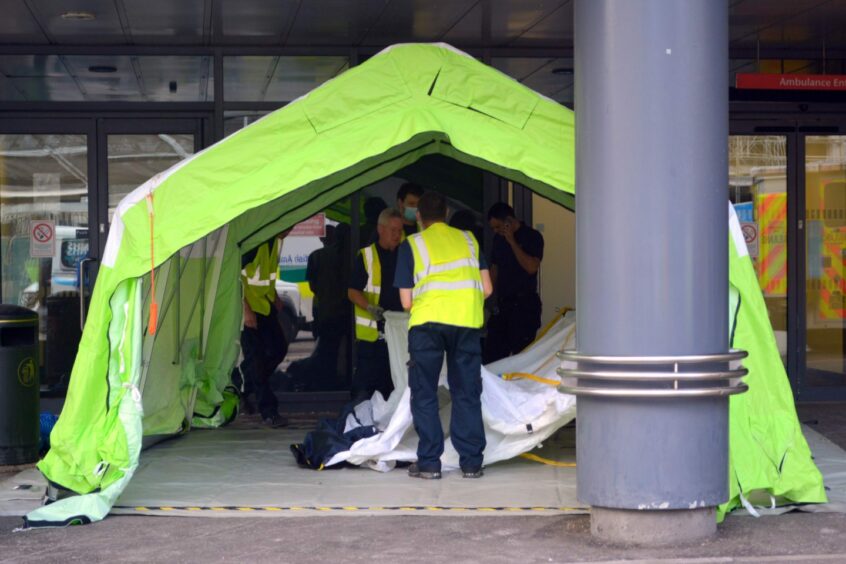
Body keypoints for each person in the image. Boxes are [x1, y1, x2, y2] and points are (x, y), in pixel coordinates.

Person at [395, 191, 493, 480]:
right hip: (465, 323)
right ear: (447, 213)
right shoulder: (469, 241)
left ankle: (429, 463)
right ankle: (472, 463)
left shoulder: (412, 245)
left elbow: (405, 302)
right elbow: (487, 289)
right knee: (466, 392)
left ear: (419, 217)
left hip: (427, 325)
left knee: (425, 392)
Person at [348, 208, 405, 400]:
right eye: (393, 230)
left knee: (395, 383)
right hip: (372, 334)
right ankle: (359, 423)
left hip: (399, 331)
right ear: (381, 229)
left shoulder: (407, 255)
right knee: (365, 386)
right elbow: (352, 291)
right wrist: (370, 307)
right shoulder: (366, 256)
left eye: (400, 230)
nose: (397, 235)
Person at [240, 230, 290, 427]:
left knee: (278, 349)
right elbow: (232, 276)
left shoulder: (275, 242)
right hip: (250, 309)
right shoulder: (255, 243)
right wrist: (245, 310)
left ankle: (243, 387)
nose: (290, 230)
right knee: (257, 360)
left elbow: (265, 278)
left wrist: (274, 295)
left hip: (265, 305)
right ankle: (269, 412)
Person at [484, 202, 545, 364]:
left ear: (509, 221)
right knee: (493, 355)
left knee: (522, 355)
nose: (496, 232)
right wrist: (485, 296)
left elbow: (531, 267)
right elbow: (495, 269)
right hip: (504, 305)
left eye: (498, 227)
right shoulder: (498, 240)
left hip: (524, 305)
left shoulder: (532, 237)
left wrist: (512, 241)